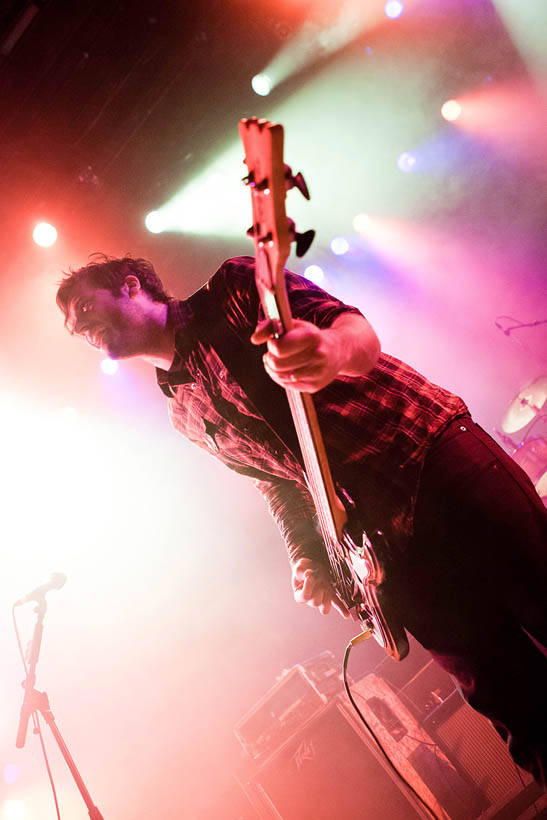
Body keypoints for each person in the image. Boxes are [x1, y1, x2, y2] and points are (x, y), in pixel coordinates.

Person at [56, 253, 547, 788]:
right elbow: (280, 481)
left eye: (82, 305)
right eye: (69, 326)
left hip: (424, 455)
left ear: (130, 287)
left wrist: (332, 350)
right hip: (385, 552)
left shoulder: (234, 288)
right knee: (508, 698)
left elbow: (352, 329)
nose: (77, 326)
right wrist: (308, 557)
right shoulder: (181, 409)